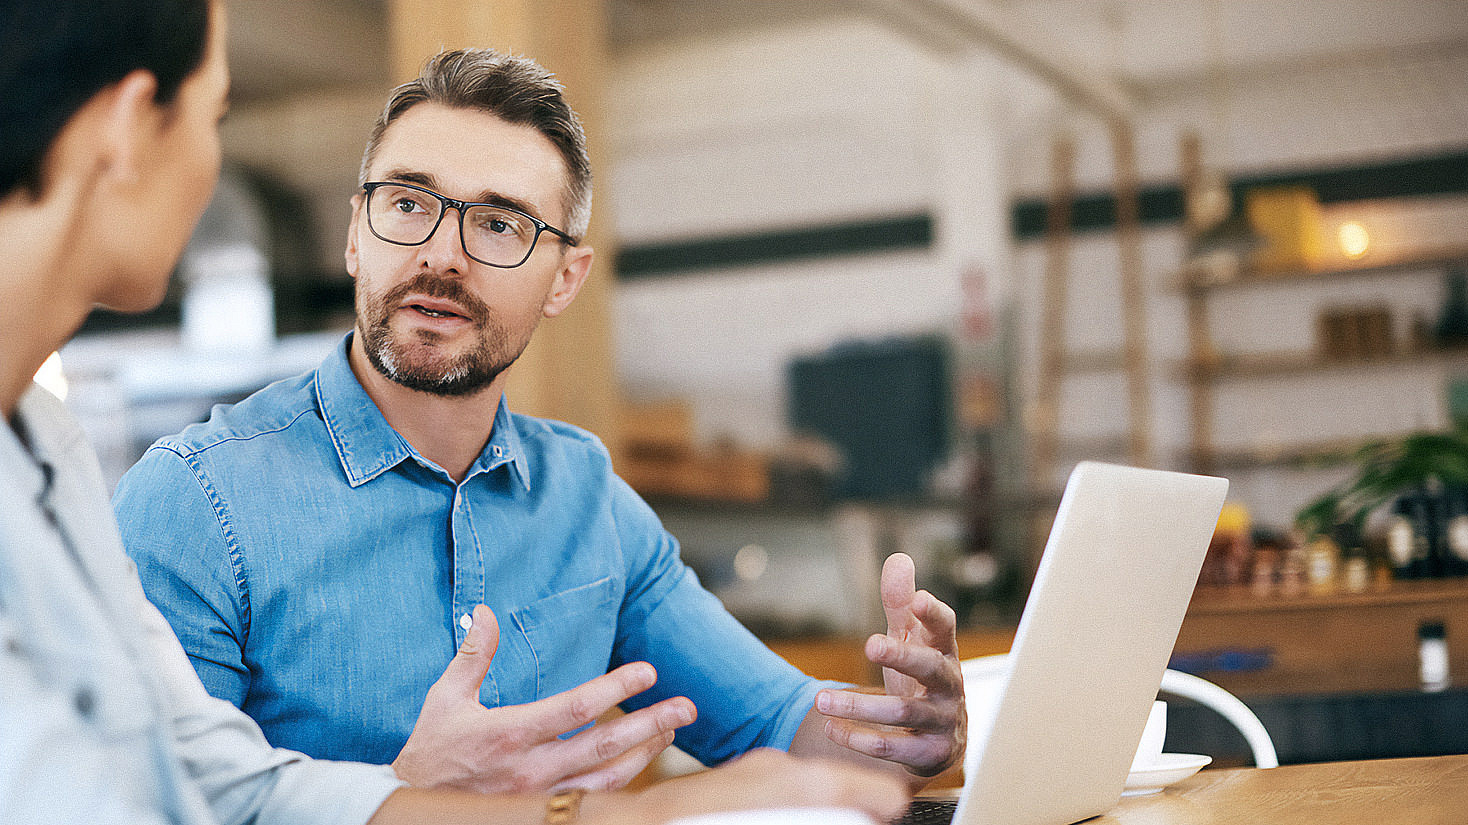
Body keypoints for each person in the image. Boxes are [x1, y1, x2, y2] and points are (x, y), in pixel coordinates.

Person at [0, 1, 910, 822]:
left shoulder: (587, 493)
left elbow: (224, 778)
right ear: (357, 233)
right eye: (407, 203)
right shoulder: (192, 499)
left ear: (567, 279)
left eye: (501, 223)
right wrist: (424, 787)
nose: (442, 254)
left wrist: (913, 731)